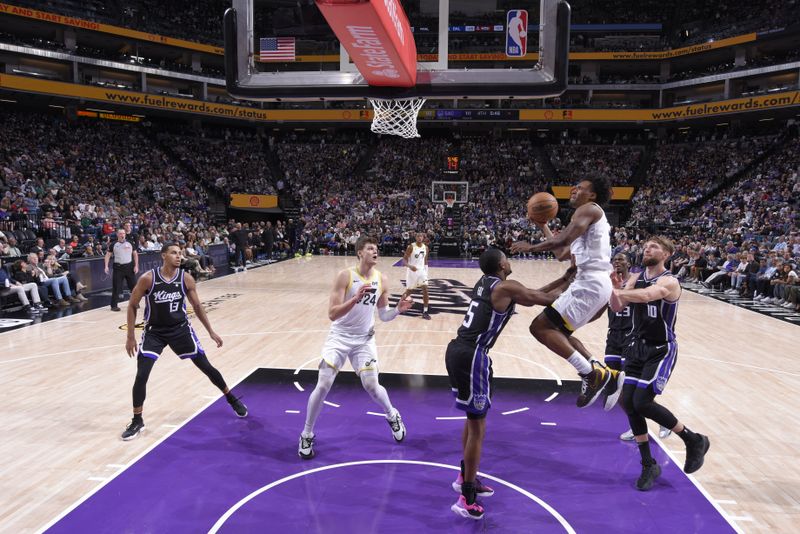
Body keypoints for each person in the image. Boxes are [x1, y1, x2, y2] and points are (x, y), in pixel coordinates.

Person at [447, 248, 574, 520]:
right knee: (478, 426)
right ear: (502, 264)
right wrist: (580, 288)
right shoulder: (504, 287)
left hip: (459, 351)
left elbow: (533, 291)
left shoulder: (489, 283)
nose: (509, 259)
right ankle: (466, 498)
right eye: (507, 257)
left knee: (472, 420)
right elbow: (545, 298)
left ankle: (464, 477)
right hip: (472, 356)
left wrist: (567, 277)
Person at [511, 179, 623, 409]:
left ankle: (591, 374)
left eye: (580, 188)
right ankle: (605, 374)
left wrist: (529, 248)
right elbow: (563, 252)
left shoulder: (588, 209)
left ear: (592, 196)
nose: (574, 190)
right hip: (592, 282)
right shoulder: (586, 222)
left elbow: (561, 240)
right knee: (560, 333)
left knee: (540, 327)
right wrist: (543, 225)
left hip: (590, 282)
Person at [298, 235, 413, 459]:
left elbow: (384, 315)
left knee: (371, 384)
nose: (375, 251)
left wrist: (398, 309)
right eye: (370, 248)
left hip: (364, 340)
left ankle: (392, 415)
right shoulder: (346, 276)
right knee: (323, 385)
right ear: (360, 252)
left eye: (376, 248)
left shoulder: (382, 279)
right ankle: (306, 433)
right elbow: (332, 314)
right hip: (339, 337)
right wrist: (355, 299)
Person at [610, 236, 710, 491]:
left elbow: (646, 296)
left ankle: (693, 439)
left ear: (666, 254)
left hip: (660, 349)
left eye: (653, 247)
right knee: (628, 402)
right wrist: (614, 289)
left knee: (642, 402)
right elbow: (617, 304)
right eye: (645, 247)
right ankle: (648, 465)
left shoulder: (669, 281)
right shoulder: (635, 276)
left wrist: (620, 290)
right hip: (637, 346)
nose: (647, 249)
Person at [120, 243, 247, 441]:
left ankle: (231, 398)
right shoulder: (148, 279)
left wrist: (211, 331)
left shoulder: (186, 278)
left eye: (180, 253)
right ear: (163, 256)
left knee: (206, 367)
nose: (179, 256)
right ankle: (137, 420)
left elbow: (197, 306)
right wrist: (130, 336)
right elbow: (132, 305)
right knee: (142, 374)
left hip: (180, 330)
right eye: (174, 253)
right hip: (155, 332)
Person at [605, 254, 671, 441]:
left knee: (630, 388)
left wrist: (620, 290)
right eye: (614, 260)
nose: (617, 262)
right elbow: (608, 307)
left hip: (631, 336)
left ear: (629, 263)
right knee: (615, 384)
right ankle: (637, 424)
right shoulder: (611, 282)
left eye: (621, 259)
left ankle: (658, 422)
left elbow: (645, 298)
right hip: (613, 336)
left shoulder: (635, 281)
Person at [105, 229, 139, 311]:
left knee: (134, 286)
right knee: (116, 287)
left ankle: (135, 303)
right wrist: (106, 266)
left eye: (123, 233)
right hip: (118, 268)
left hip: (129, 267)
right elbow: (107, 255)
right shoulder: (113, 244)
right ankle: (114, 306)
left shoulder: (130, 243)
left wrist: (136, 266)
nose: (122, 235)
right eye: (120, 233)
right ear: (117, 235)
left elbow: (135, 254)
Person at [401, 232, 432, 320]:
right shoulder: (411, 247)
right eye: (418, 236)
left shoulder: (425, 247)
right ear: (415, 237)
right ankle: (399, 304)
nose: (419, 237)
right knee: (409, 292)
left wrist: (426, 272)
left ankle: (425, 311)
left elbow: (425, 261)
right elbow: (404, 260)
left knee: (425, 289)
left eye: (421, 236)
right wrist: (410, 266)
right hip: (412, 272)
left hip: (422, 272)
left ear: (423, 237)